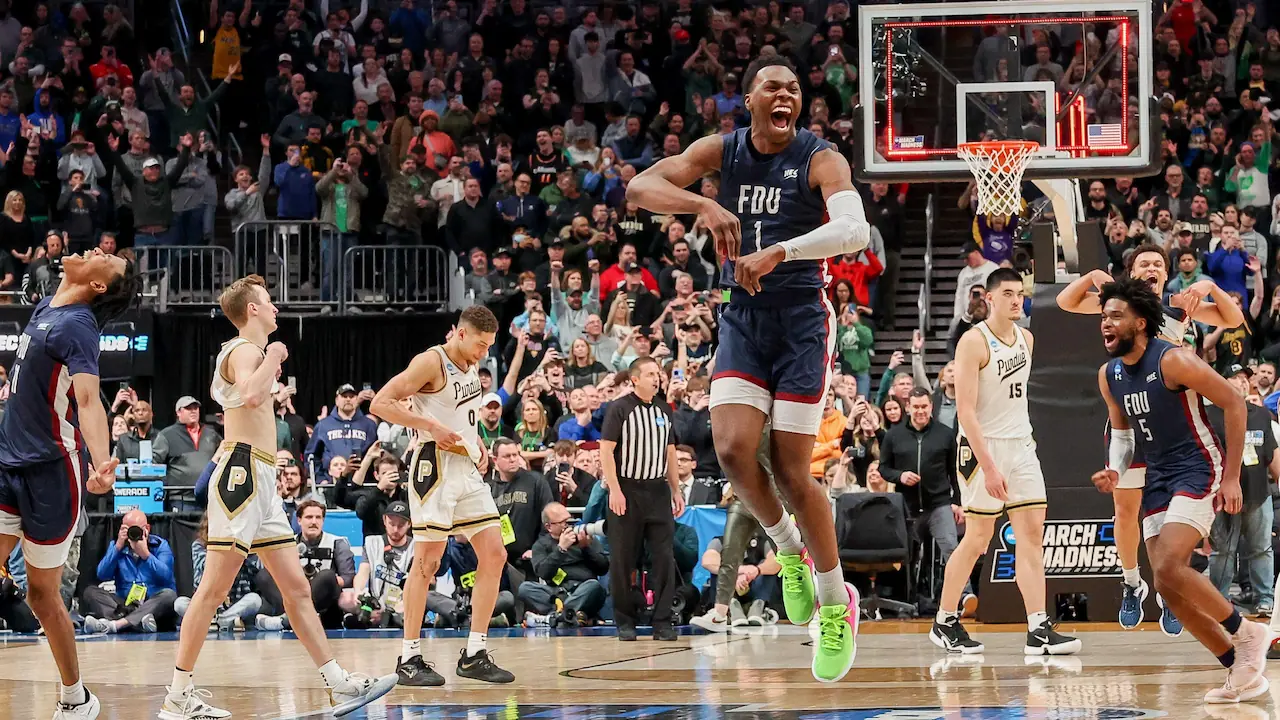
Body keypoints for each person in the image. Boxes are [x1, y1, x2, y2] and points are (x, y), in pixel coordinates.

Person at [626, 54, 869, 682]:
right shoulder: (724, 149)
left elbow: (854, 230)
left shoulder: (821, 156)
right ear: (750, 99)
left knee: (792, 469)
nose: (785, 95)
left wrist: (780, 251)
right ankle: (788, 549)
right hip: (743, 317)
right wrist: (699, 207)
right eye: (772, 87)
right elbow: (639, 188)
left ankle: (835, 603)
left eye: (794, 88)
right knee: (732, 450)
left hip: (801, 321)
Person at [161, 275, 396, 720]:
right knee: (212, 590)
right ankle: (177, 696)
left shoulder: (244, 354)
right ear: (251, 310)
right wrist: (273, 355)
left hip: (262, 475)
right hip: (242, 472)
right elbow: (250, 395)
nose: (275, 309)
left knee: (297, 589)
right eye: (268, 303)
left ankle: (337, 682)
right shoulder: (246, 349)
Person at [1094, 277, 1269, 704]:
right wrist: (1115, 472)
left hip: (1198, 464)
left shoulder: (1172, 360)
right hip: (1156, 475)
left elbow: (1232, 402)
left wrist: (1230, 477)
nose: (1105, 323)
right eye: (1103, 317)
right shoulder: (1109, 374)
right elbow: (1122, 435)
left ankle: (1247, 632)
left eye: (1115, 316)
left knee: (1171, 564)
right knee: (1166, 584)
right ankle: (1239, 669)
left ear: (1140, 322)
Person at [1056, 245, 1245, 634]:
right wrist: (1095, 276)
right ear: (1131, 271)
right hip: (1133, 416)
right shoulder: (1118, 305)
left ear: (1166, 273)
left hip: (1171, 418)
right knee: (1127, 512)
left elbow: (1234, 316)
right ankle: (1130, 582)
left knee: (1176, 516)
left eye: (1159, 263)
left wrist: (1208, 285)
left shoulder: (1181, 304)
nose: (1152, 267)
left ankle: (1170, 588)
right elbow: (1065, 301)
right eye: (1144, 263)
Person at [0, 247, 138, 719]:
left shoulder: (80, 326)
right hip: (8, 463)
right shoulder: (46, 306)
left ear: (99, 285)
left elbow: (88, 400)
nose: (99, 249)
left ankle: (76, 697)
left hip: (52, 474)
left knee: (43, 595)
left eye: (110, 259)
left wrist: (102, 463)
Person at [931, 268, 1081, 656]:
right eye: (1010, 294)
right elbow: (965, 412)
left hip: (1021, 445)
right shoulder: (973, 342)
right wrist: (991, 467)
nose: (1018, 300)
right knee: (978, 539)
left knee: (1032, 535)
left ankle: (1038, 627)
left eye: (1021, 294)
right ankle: (945, 620)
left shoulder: (1026, 340)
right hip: (983, 449)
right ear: (990, 298)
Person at [369, 305, 515, 686]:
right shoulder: (430, 361)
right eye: (481, 345)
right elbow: (380, 403)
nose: (485, 354)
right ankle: (409, 657)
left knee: (496, 553)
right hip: (432, 467)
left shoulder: (470, 367)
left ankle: (475, 653)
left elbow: (464, 415)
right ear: (461, 334)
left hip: (465, 466)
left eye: (489, 347)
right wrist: (428, 425)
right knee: (427, 562)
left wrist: (480, 443)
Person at [601, 356, 685, 641]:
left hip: (657, 490)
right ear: (634, 378)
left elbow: (670, 453)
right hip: (626, 488)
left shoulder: (664, 409)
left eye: (658, 374)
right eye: (650, 373)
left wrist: (676, 489)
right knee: (623, 558)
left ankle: (662, 621)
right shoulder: (619, 408)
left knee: (663, 558)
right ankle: (625, 620)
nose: (656, 378)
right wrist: (614, 489)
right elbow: (606, 451)